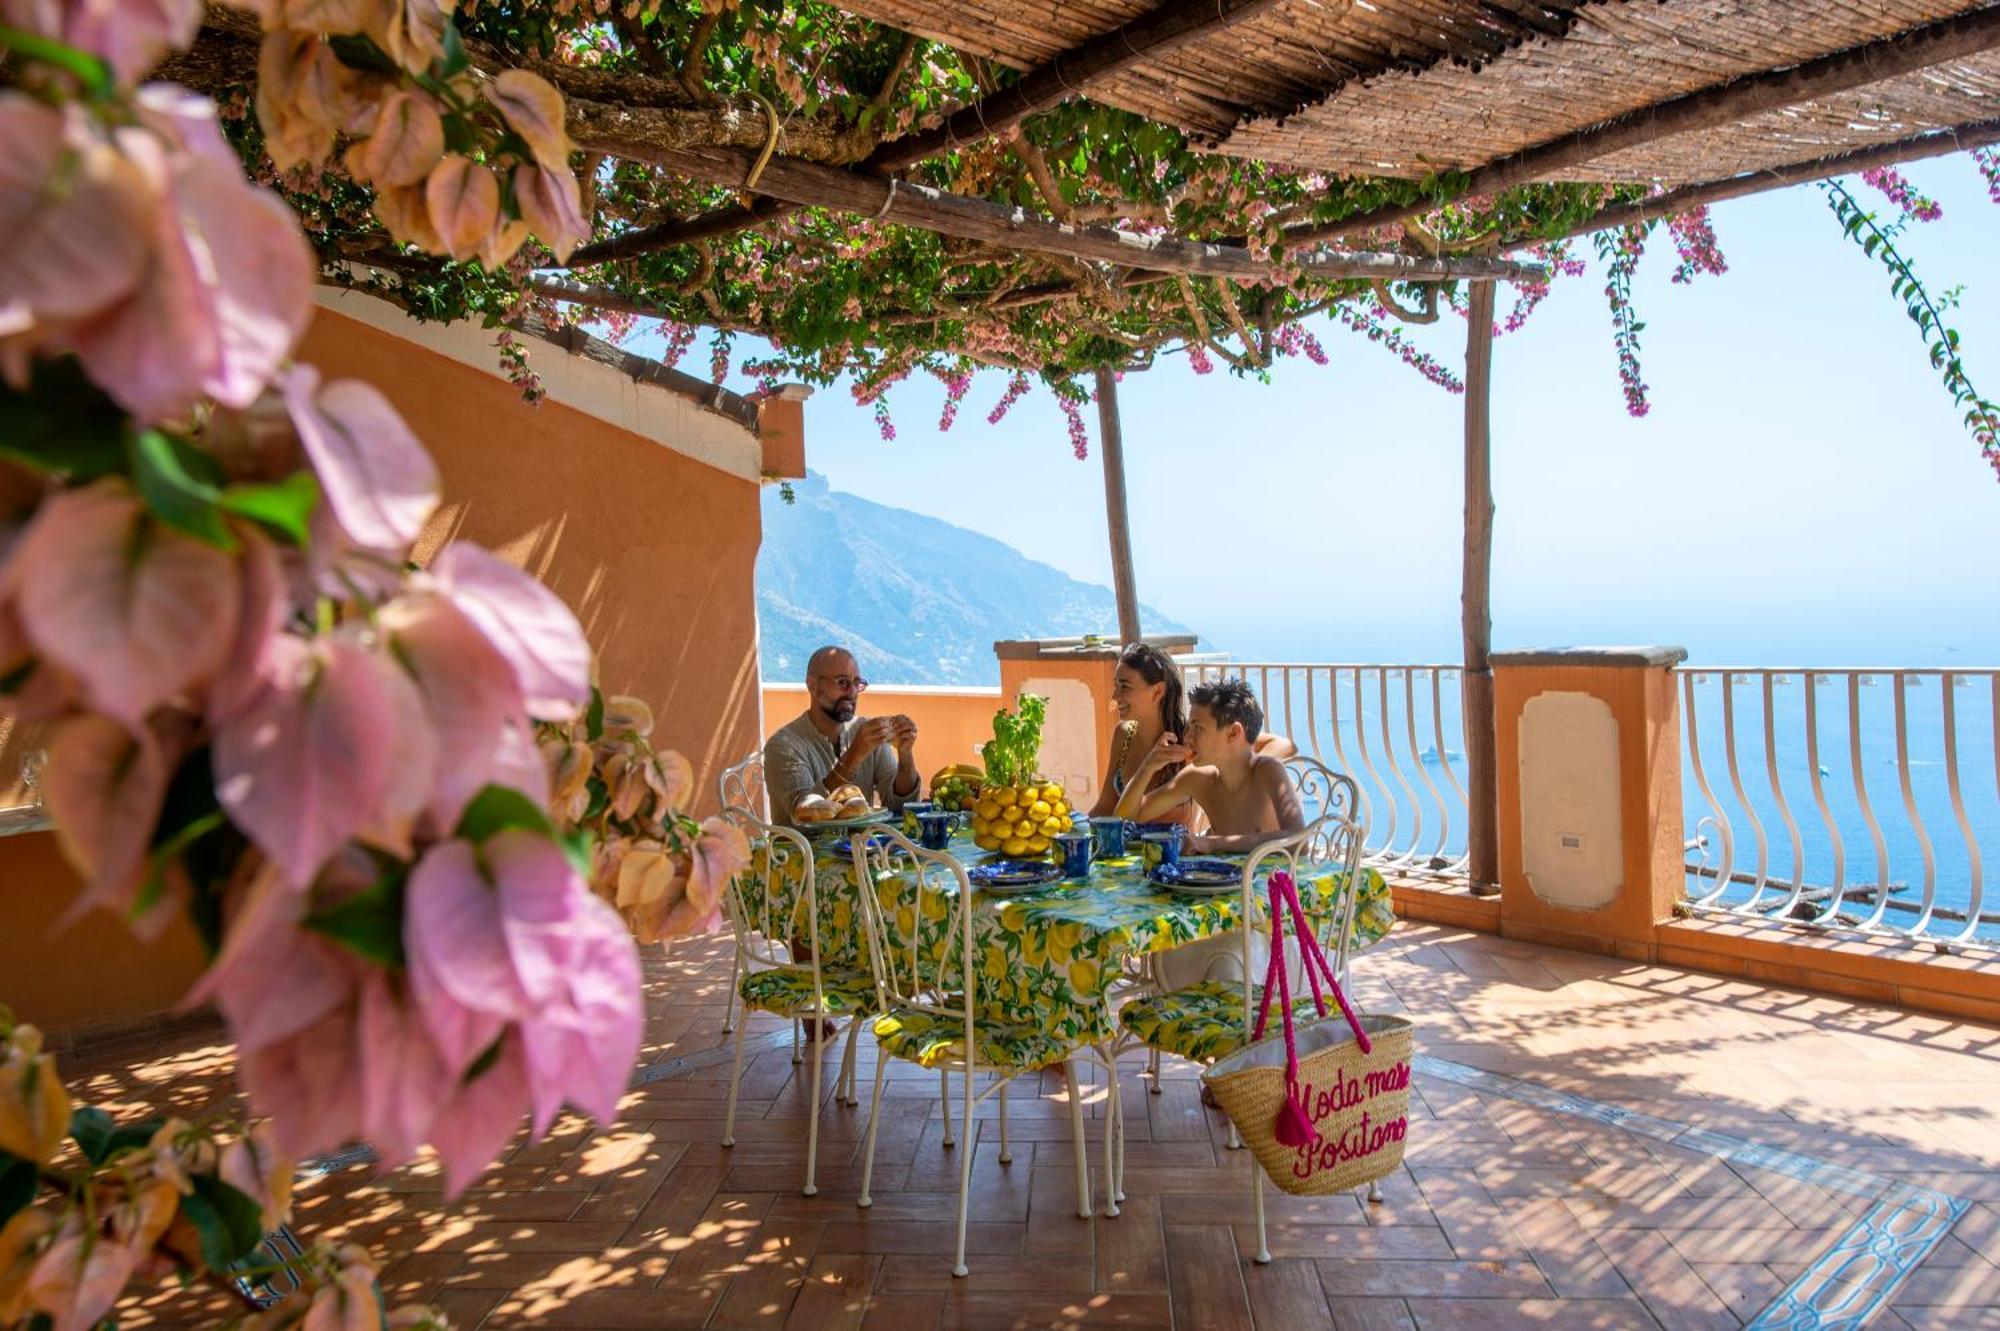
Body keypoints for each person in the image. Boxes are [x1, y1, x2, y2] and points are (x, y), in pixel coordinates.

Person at [1115, 677, 1304, 991]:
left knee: (1220, 956)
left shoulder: (1268, 771)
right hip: (1218, 911)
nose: (1187, 737)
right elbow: (1126, 817)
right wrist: (1149, 765)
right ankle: (1202, 1018)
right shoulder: (1197, 778)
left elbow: (1298, 839)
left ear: (1233, 733)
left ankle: (1228, 1018)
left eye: (1197, 728)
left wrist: (1211, 843)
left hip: (1269, 921)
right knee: (1177, 939)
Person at [764, 645, 920, 826]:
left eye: (856, 683)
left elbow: (900, 807)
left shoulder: (865, 731)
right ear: (812, 685)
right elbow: (805, 816)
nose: (852, 692)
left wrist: (905, 754)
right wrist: (854, 755)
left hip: (862, 850)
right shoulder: (783, 746)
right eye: (842, 682)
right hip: (801, 852)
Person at [1088, 643, 1192, 820]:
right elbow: (1105, 808)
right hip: (1123, 847)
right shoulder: (1123, 734)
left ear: (1157, 692)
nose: (1115, 696)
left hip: (1172, 848)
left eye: (1125, 686)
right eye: (1116, 685)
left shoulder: (1189, 740)